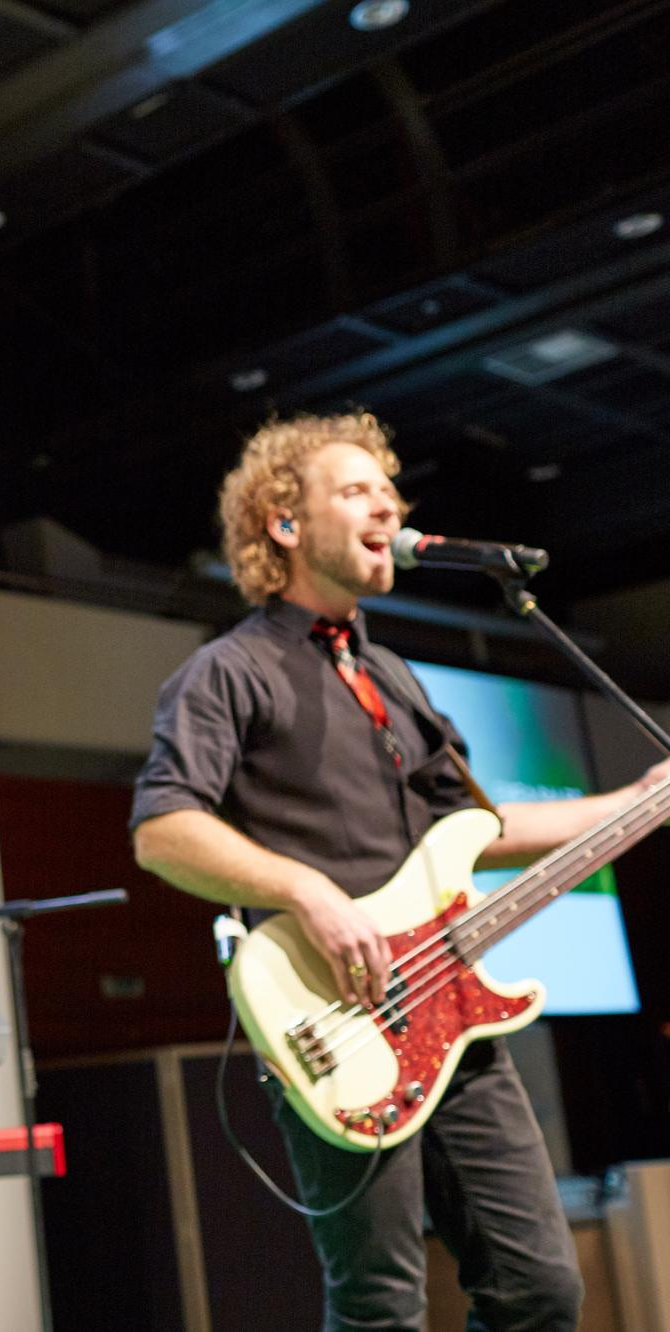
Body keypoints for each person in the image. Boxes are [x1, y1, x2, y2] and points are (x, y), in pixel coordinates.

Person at [130, 412, 670, 1332]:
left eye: (391, 493)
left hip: (453, 1015)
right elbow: (164, 830)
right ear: (284, 523)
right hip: (336, 1020)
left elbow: (476, 830)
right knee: (381, 1304)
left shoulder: (395, 678)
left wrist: (640, 797)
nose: (388, 504)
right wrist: (306, 890)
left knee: (542, 1288)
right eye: (355, 491)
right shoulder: (229, 671)